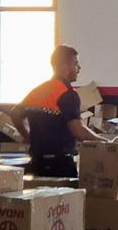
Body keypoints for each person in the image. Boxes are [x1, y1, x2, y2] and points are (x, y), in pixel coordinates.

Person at [11, 45, 104, 177]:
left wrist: (28, 137)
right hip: (60, 164)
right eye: (76, 64)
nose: (79, 68)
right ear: (65, 67)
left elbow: (15, 113)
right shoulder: (67, 93)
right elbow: (78, 130)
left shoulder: (39, 90)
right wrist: (105, 143)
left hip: (37, 162)